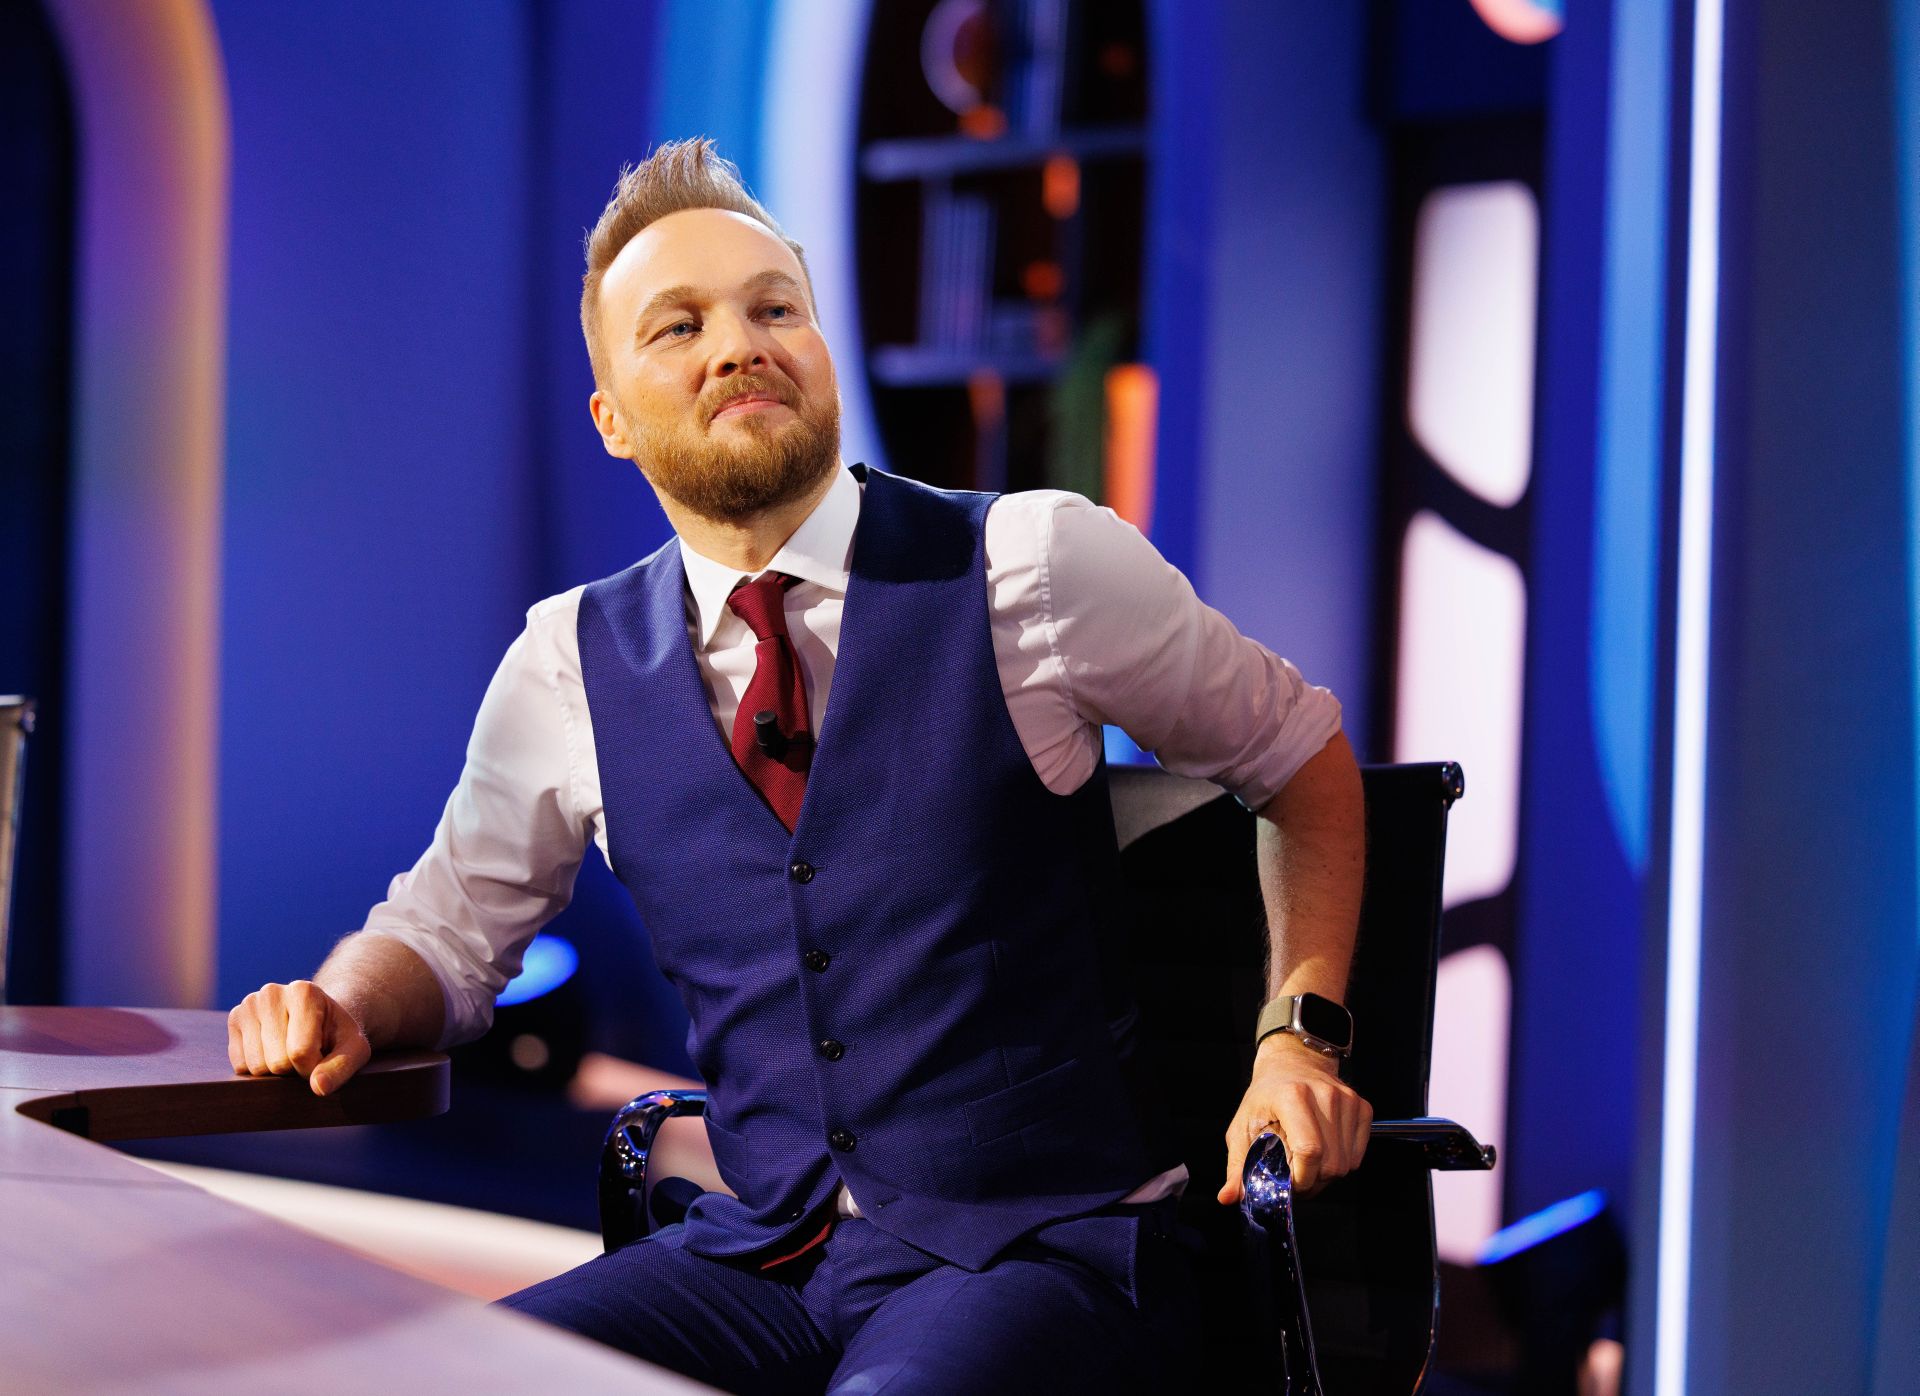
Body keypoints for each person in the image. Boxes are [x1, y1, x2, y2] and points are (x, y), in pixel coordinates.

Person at [226, 138, 1371, 1394]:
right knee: (450, 1375)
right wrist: (341, 1001)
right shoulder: (567, 663)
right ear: (612, 420)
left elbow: (1300, 760)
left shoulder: (1035, 566)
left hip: (1045, 1254)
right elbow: (445, 938)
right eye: (680, 326)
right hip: (764, 1253)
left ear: (819, 350)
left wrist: (1298, 1040)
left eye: (775, 309)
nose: (740, 345)